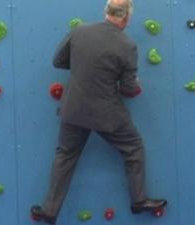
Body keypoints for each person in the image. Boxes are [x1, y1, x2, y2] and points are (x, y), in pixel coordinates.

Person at [30, 0, 167, 224]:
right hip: (107, 114)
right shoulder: (127, 45)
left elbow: (58, 61)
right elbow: (129, 89)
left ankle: (49, 210)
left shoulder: (79, 31)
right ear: (126, 18)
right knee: (133, 147)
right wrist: (136, 84)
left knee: (65, 155)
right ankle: (139, 200)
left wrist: (84, 69)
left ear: (105, 12)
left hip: (74, 109)